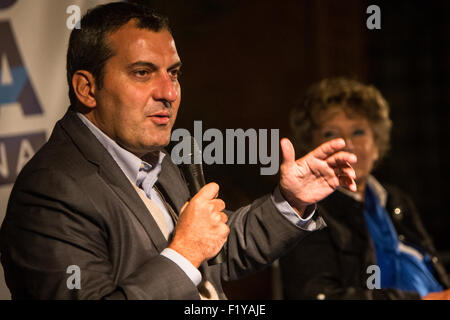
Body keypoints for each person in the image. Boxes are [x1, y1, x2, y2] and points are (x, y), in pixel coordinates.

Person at [0, 3, 357, 300]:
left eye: (173, 73)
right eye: (142, 73)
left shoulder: (153, 158)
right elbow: (189, 252)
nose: (168, 93)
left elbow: (215, 248)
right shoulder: (49, 193)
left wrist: (290, 202)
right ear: (87, 89)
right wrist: (184, 252)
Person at [280, 77, 450, 300]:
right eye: (331, 133)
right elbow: (316, 295)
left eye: (358, 132)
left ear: (377, 146)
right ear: (312, 146)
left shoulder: (395, 199)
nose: (348, 144)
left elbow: (431, 265)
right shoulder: (305, 209)